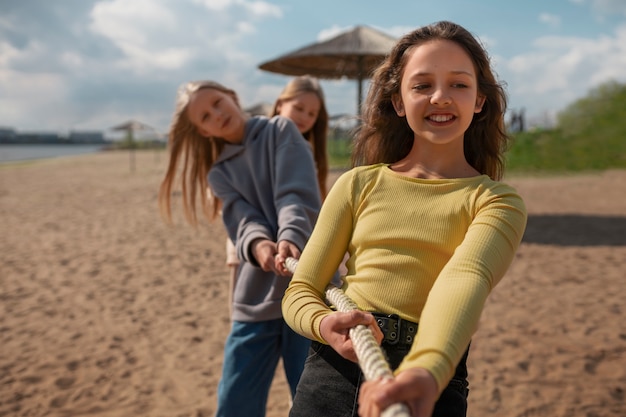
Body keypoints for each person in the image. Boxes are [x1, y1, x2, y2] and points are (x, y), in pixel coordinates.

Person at [281, 20, 528, 417]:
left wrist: (426, 369)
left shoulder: (495, 201)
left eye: (459, 85)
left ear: (480, 100)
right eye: (422, 85)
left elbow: (466, 278)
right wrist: (326, 326)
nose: (440, 97)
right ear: (398, 102)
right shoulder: (356, 185)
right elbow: (300, 292)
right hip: (333, 372)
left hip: (431, 379)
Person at [158, 80, 322, 417]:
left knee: (315, 404)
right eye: (205, 116)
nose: (216, 115)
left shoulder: (281, 131)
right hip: (255, 298)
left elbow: (295, 194)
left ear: (233, 97)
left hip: (307, 289)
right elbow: (243, 221)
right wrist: (260, 246)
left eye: (217, 103)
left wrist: (290, 235)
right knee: (234, 403)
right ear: (203, 131)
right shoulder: (219, 174)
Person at [225, 75, 330, 316]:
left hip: (288, 245)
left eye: (312, 114)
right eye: (299, 108)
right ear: (281, 104)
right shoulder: (255, 144)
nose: (304, 117)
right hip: (250, 242)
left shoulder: (306, 150)